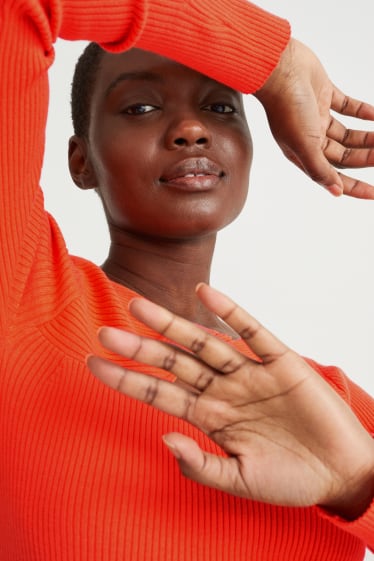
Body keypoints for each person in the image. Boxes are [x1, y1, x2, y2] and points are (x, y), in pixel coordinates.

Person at [1, 1, 373, 560]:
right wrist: (273, 60)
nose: (193, 129)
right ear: (81, 161)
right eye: (142, 106)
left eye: (221, 107)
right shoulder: (24, 296)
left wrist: (355, 483)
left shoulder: (326, 403)